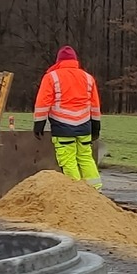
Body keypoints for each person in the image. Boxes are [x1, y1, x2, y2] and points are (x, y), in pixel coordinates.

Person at [34, 45, 103, 188]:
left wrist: (39, 123)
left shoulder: (51, 77)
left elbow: (43, 102)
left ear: (58, 61)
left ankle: (76, 193)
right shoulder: (88, 78)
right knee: (85, 158)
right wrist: (96, 126)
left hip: (62, 125)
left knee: (68, 160)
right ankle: (96, 192)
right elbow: (95, 105)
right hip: (85, 125)